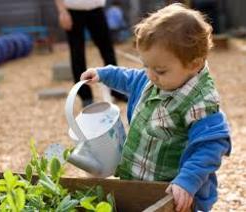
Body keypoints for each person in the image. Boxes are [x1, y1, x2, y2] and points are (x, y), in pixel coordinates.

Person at [81, 3, 231, 212]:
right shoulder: (156, 79)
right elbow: (130, 78)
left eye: (159, 70)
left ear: (194, 65)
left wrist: (186, 182)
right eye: (146, 65)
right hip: (138, 178)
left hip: (173, 193)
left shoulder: (201, 103)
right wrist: (103, 74)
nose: (150, 75)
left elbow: (210, 146)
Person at [54, 0, 127, 107]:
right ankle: (85, 96)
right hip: (73, 10)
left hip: (96, 9)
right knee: (77, 54)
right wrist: (62, 11)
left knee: (108, 51)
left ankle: (117, 90)